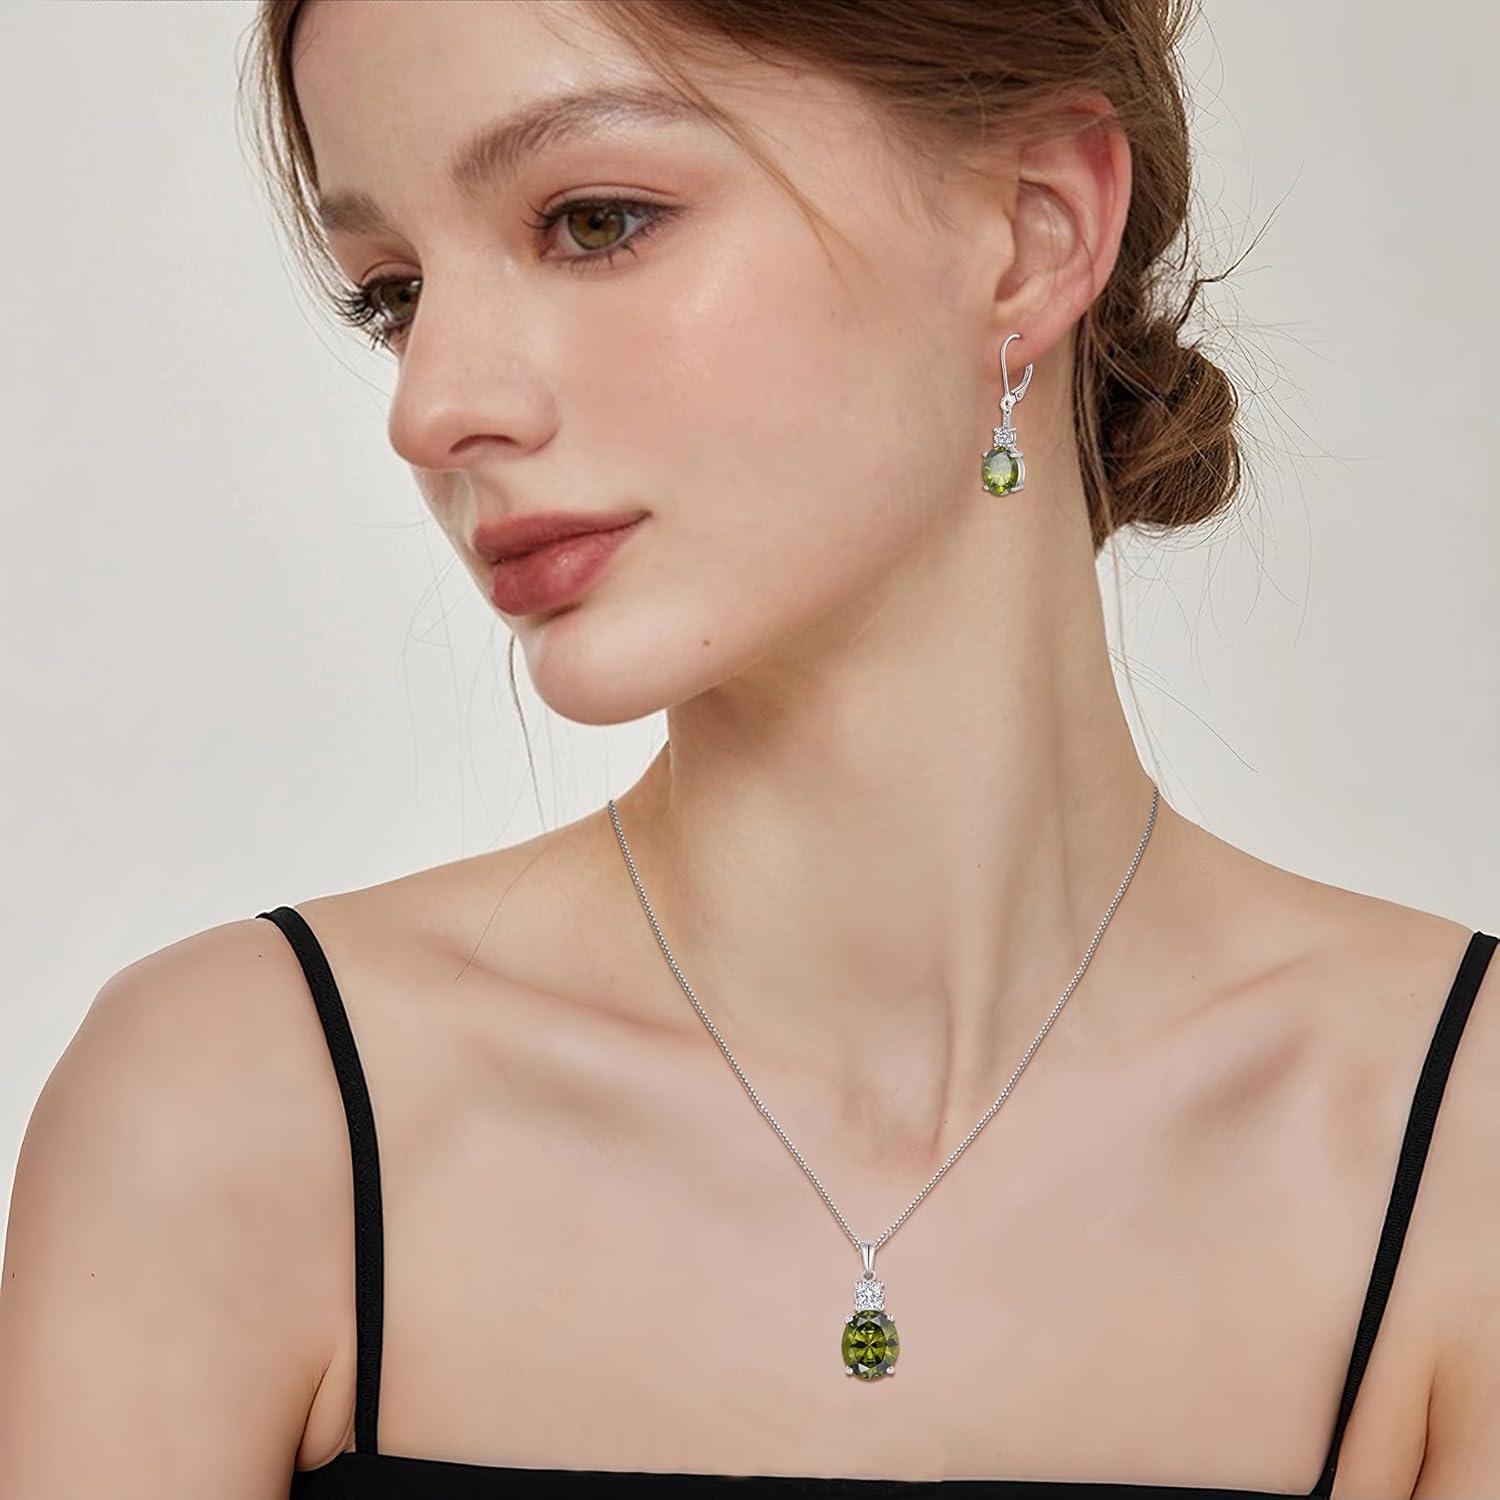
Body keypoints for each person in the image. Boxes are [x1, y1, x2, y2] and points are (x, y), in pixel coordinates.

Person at [2, 1, 1495, 1496]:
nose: (433, 405)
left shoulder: (1460, 1153)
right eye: (394, 294)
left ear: (1029, 235)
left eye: (595, 221)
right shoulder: (239, 1116)